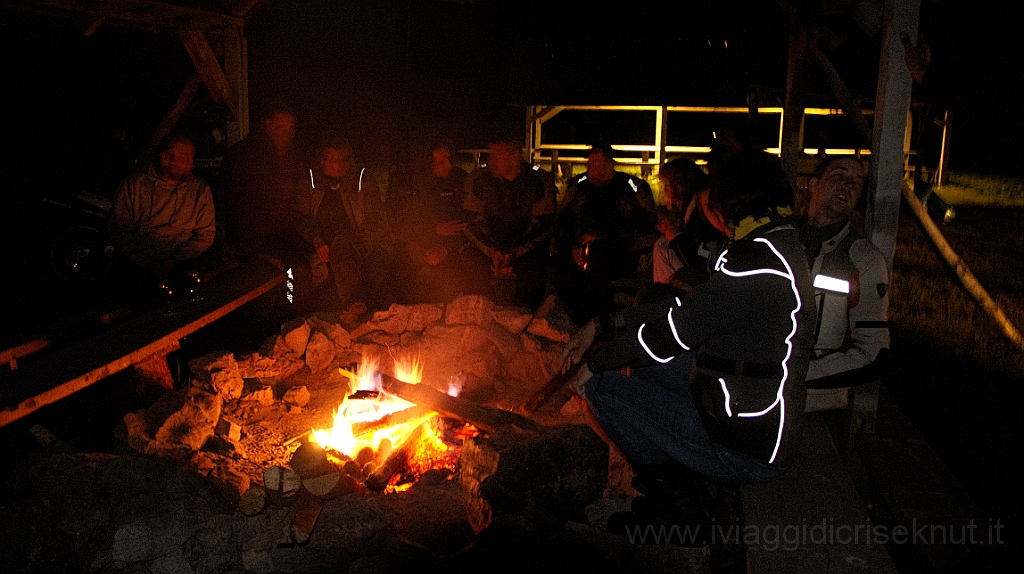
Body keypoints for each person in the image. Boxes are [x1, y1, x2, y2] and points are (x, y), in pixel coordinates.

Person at [561, 151, 815, 528]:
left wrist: (594, 365)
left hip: (743, 448)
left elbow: (672, 334)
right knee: (642, 366)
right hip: (753, 419)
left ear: (731, 199)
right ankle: (674, 485)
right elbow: (691, 304)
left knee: (602, 388)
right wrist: (603, 323)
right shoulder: (774, 241)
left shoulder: (756, 260)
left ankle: (679, 511)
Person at [796, 156, 889, 400]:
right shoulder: (778, 239)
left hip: (815, 403)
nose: (848, 185)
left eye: (857, 183)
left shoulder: (864, 260)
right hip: (753, 392)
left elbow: (873, 352)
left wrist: (796, 375)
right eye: (840, 175)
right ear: (813, 185)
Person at [550, 141, 659, 325]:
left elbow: (649, 228)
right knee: (553, 267)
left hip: (618, 254)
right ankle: (579, 317)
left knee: (597, 259)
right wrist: (572, 246)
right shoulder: (578, 186)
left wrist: (605, 237)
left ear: (611, 164)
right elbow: (561, 222)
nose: (596, 170)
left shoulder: (631, 187)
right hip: (577, 252)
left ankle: (602, 321)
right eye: (591, 164)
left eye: (601, 164)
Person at [218, 105, 313, 312]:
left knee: (318, 258)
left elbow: (294, 202)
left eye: (289, 128)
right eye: (280, 127)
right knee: (298, 270)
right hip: (251, 236)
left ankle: (300, 314)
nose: (285, 132)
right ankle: (293, 318)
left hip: (280, 232)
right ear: (267, 124)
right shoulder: (243, 155)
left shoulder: (291, 158)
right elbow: (237, 204)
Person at [108, 134, 215, 295]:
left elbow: (205, 234)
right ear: (165, 158)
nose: (191, 164)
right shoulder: (135, 186)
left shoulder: (199, 190)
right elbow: (118, 230)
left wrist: (175, 260)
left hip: (184, 265)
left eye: (192, 158)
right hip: (141, 267)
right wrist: (147, 262)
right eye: (185, 158)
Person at [307, 140, 401, 312]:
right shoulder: (312, 183)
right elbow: (302, 217)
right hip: (324, 246)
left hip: (362, 244)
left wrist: (358, 246)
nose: (340, 165)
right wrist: (317, 239)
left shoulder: (361, 181)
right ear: (323, 161)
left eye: (344, 159)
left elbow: (376, 220)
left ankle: (355, 304)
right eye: (334, 160)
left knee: (369, 265)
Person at [462, 140, 555, 310]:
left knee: (534, 269)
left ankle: (523, 318)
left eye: (497, 156)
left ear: (515, 156)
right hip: (489, 247)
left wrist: (515, 252)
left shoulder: (539, 181)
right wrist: (491, 250)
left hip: (525, 249)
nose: (491, 161)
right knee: (470, 263)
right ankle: (484, 314)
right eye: (491, 155)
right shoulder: (478, 180)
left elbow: (544, 226)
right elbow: (470, 222)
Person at [401, 143, 471, 303]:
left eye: (448, 158)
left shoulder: (459, 179)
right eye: (440, 162)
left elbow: (465, 222)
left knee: (450, 275)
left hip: (453, 246)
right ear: (427, 165)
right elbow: (405, 225)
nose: (449, 165)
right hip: (422, 245)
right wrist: (432, 235)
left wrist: (446, 249)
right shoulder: (413, 186)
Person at [650, 157, 718, 295]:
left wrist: (676, 236)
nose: (664, 190)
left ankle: (665, 299)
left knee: (662, 246)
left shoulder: (700, 209)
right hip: (708, 269)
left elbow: (699, 260)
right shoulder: (692, 209)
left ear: (680, 185)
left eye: (667, 185)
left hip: (708, 274)